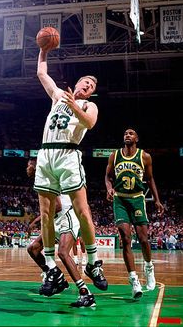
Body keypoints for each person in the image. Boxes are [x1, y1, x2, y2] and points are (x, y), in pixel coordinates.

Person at [34, 48, 108, 300]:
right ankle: (51, 268)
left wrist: (74, 104)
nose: (87, 86)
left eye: (90, 86)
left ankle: (93, 260)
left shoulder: (89, 104)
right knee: (45, 213)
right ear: (76, 84)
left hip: (68, 154)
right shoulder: (57, 96)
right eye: (84, 82)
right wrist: (43, 50)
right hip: (46, 155)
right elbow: (41, 72)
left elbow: (89, 122)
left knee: (83, 211)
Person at [26, 158, 96, 307]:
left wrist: (36, 221)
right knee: (33, 249)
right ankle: (56, 276)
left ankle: (86, 293)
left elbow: (57, 206)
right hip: (57, 220)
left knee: (63, 253)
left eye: (29, 165)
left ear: (35, 165)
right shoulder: (40, 179)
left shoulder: (47, 177)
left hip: (68, 215)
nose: (27, 168)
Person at [105, 128, 164, 299]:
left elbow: (150, 178)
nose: (127, 135)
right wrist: (109, 189)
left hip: (138, 198)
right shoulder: (114, 155)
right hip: (120, 199)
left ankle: (149, 267)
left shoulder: (144, 156)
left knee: (143, 238)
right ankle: (133, 279)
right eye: (125, 133)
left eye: (131, 133)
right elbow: (107, 176)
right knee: (125, 238)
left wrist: (157, 199)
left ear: (137, 138)